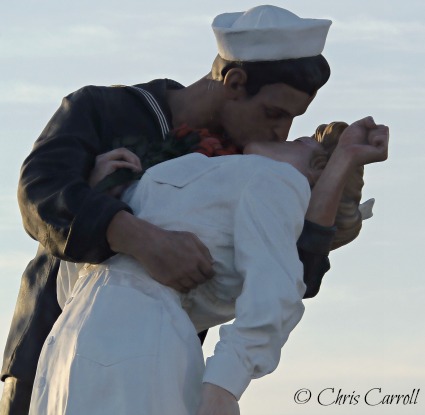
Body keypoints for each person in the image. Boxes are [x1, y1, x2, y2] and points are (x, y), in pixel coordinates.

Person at [1, 6, 338, 414]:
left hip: (151, 364)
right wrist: (140, 237)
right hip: (47, 347)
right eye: (274, 113)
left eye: (291, 120)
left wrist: (341, 172)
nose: (280, 133)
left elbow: (289, 276)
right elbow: (39, 193)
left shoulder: (249, 170)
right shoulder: (102, 109)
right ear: (234, 82)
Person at [28, 117, 389, 415]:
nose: (296, 138)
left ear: (314, 173)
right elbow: (70, 290)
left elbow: (275, 294)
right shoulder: (231, 176)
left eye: (308, 142)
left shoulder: (277, 179)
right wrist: (99, 199)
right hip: (71, 346)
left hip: (133, 344)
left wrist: (223, 388)